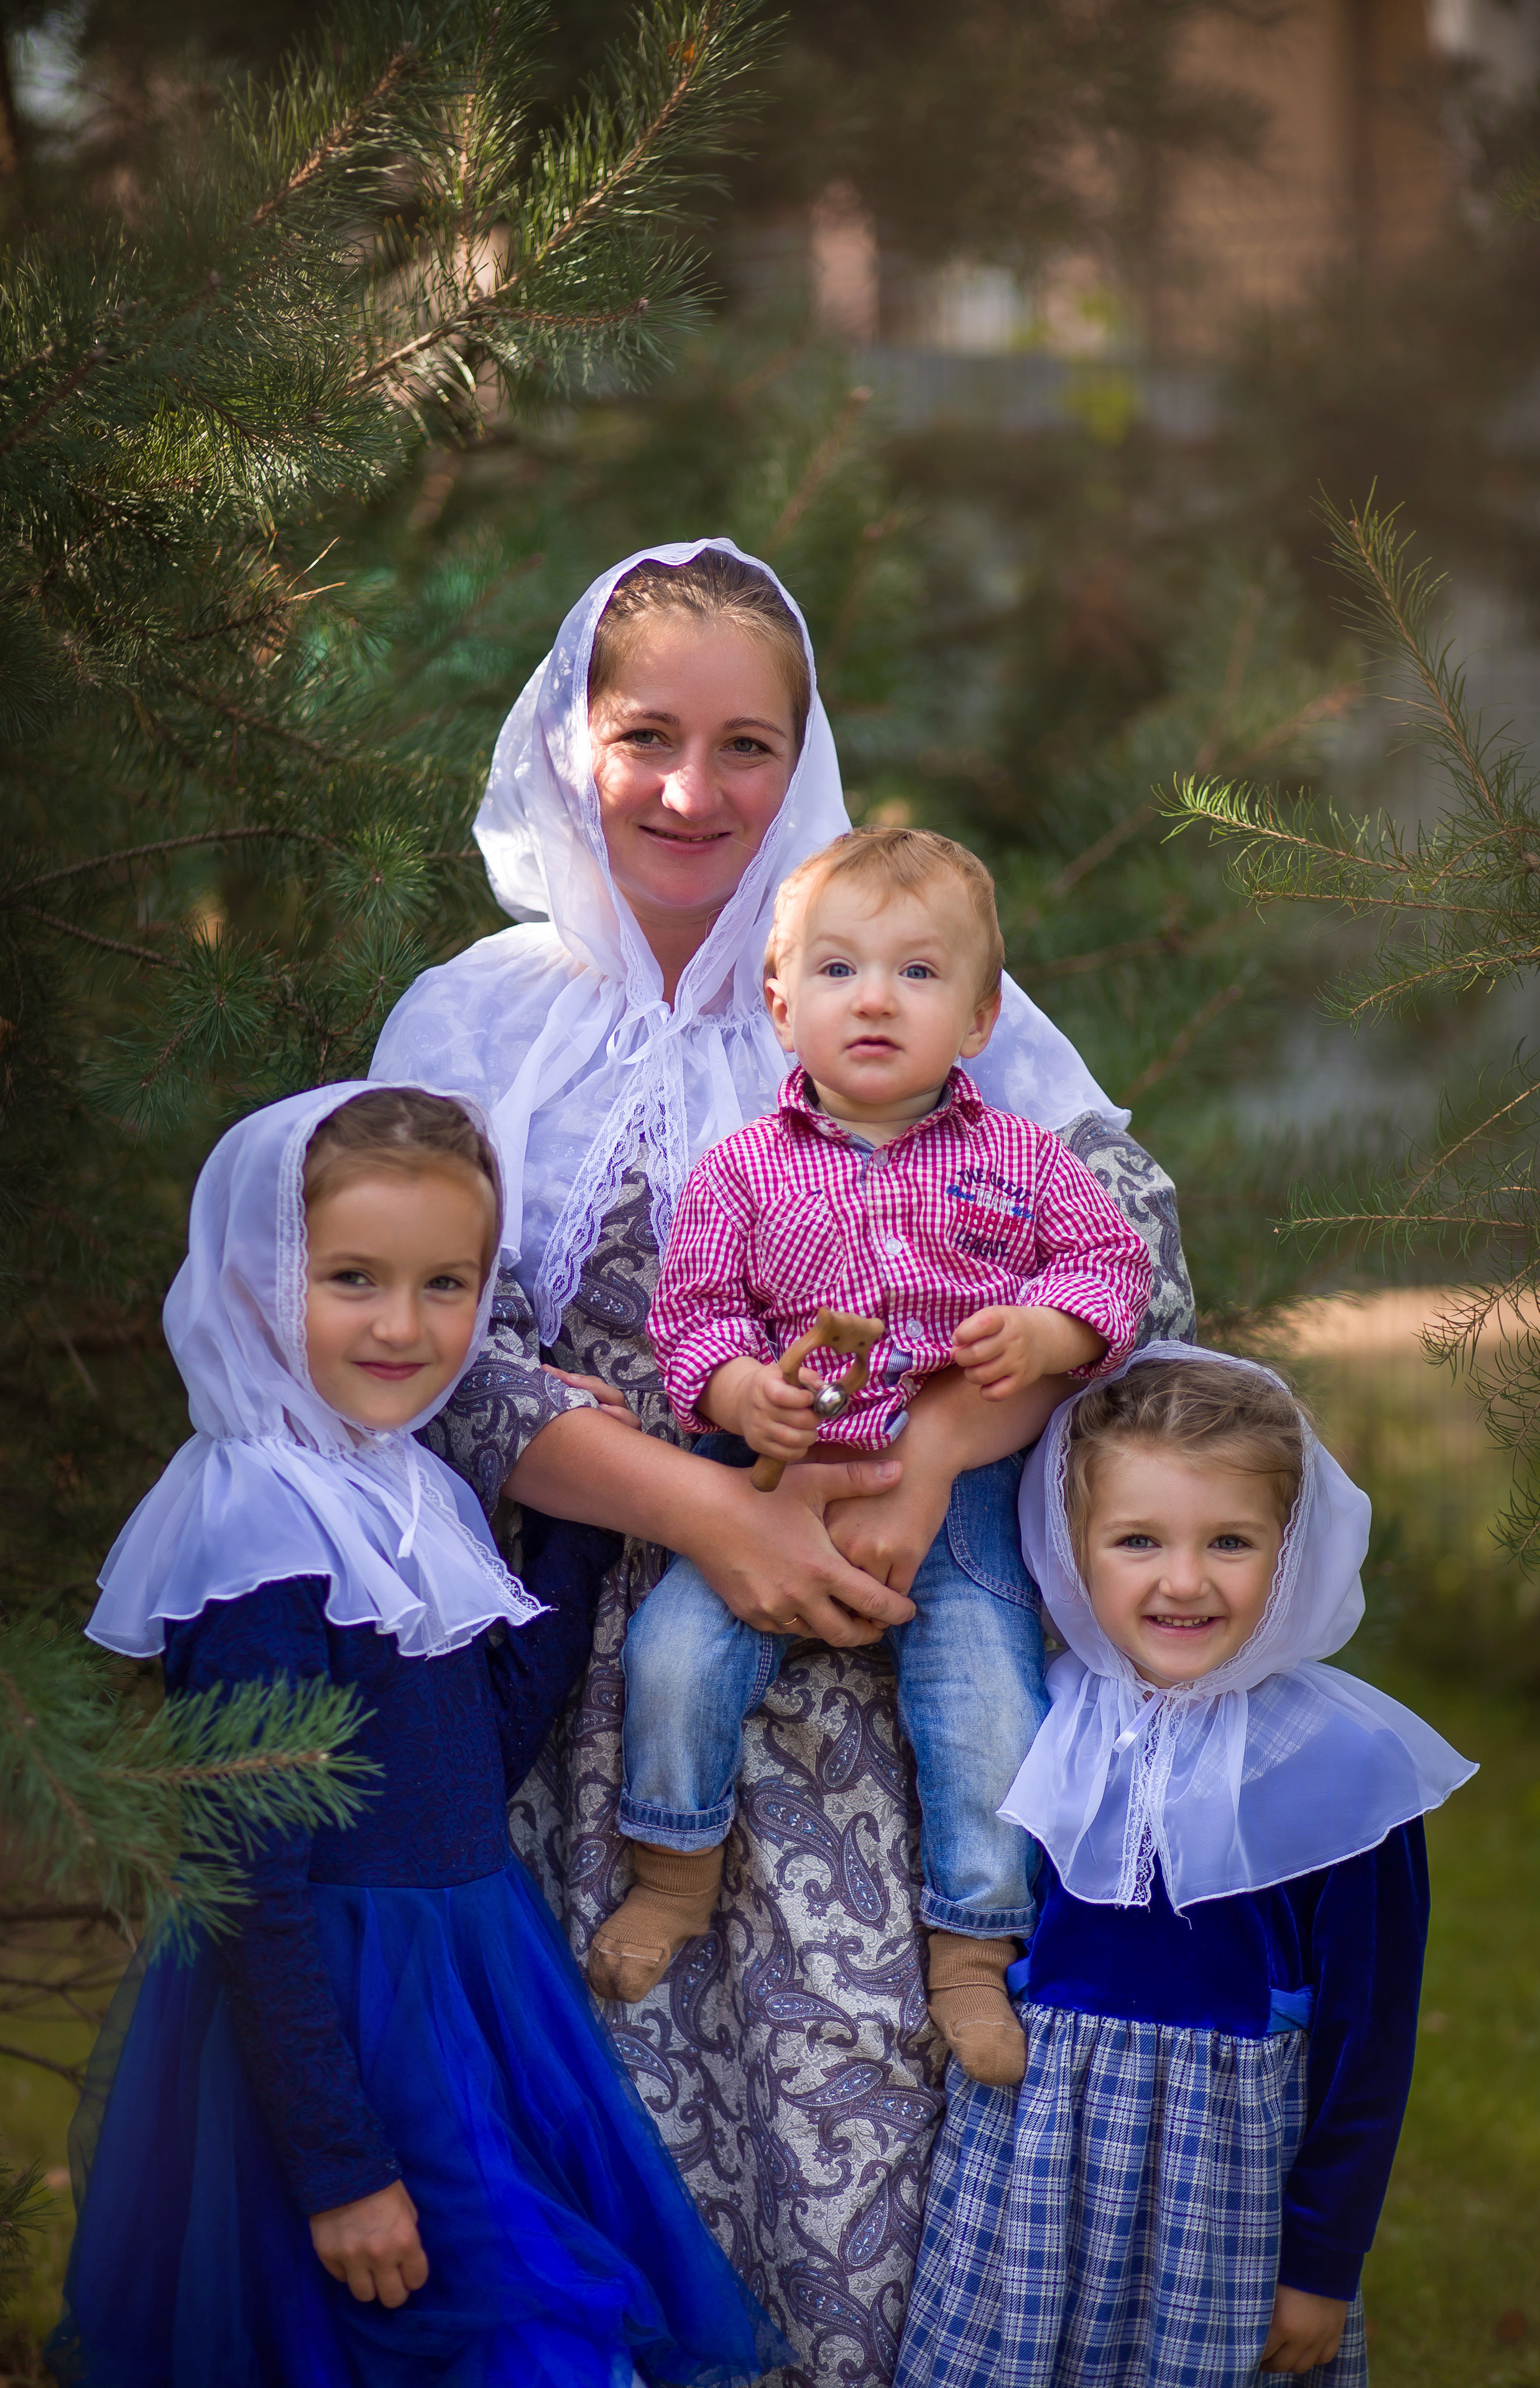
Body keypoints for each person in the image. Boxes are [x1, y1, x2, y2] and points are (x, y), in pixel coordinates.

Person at [369, 540, 1198, 2380]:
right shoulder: (477, 1021)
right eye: (645, 733)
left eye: (747, 744)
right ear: (566, 736)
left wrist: (943, 1456)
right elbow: (408, 1358)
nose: (690, 788)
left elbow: (1138, 1244)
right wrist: (701, 1510)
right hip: (580, 1655)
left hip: (875, 1669)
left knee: (860, 2123)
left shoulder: (878, 968)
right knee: (595, 2161)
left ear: (804, 758)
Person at [48, 1085, 785, 2388]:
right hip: (336, 2010)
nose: (404, 1326)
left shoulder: (402, 1483)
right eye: (351, 1279)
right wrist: (340, 2167)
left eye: (446, 1284)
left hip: (470, 1981)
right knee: (497, 2334)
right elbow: (250, 1885)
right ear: (251, 1282)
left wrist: (576, 1511)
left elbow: (475, 1754)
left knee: (515, 2326)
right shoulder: (254, 1530)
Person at [596, 827, 1151, 2091]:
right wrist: (744, 1392)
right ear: (780, 1004)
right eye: (838, 971)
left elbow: (1109, 1265)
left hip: (957, 1497)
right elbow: (694, 1320)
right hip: (778, 1479)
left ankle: (969, 1943)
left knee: (989, 1708)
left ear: (976, 1017)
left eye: (915, 973)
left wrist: (1047, 1323)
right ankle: (672, 1868)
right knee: (673, 1654)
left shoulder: (1020, 1160)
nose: (874, 999)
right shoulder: (739, 1171)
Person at [895, 1345, 1478, 2388]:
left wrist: (1322, 2265)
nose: (1182, 1580)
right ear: (1074, 1549)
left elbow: (1370, 2045)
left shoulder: (1344, 1769)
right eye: (1136, 1540)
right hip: (1036, 2167)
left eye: (1230, 1541)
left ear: (1291, 1551)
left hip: (1224, 2194)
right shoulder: (1048, 1715)